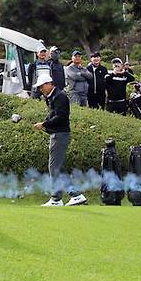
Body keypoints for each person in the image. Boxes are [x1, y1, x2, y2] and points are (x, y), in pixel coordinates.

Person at [33, 73, 88, 207]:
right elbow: (52, 115)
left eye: (42, 87)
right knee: (59, 168)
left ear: (49, 84)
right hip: (57, 134)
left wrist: (44, 125)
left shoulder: (60, 96)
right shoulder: (52, 97)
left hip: (60, 134)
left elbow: (61, 117)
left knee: (54, 168)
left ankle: (56, 198)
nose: (41, 89)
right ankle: (76, 195)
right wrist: (44, 123)